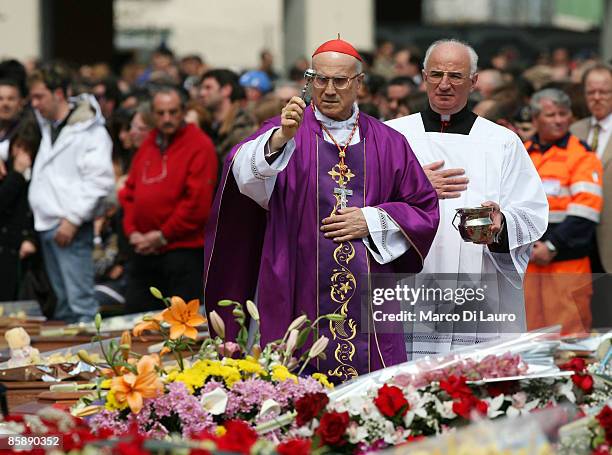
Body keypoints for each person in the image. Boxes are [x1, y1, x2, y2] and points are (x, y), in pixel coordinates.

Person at [204, 38, 440, 383]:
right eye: (320, 79)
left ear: (359, 84)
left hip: (368, 294)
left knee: (374, 392)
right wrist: (279, 141)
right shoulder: (284, 130)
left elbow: (423, 209)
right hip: (294, 282)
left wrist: (372, 220)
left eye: (340, 81)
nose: (328, 90)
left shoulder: (389, 142)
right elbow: (242, 178)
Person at [387, 39, 549, 359]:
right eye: (436, 75)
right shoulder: (391, 135)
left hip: (481, 288)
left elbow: (531, 210)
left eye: (456, 76)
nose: (444, 84)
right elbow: (366, 202)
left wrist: (501, 225)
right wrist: (416, 188)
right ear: (423, 77)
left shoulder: (501, 141)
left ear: (473, 82)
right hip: (409, 282)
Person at [119, 86, 218, 313]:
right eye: (161, 113)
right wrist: (132, 231)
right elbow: (130, 193)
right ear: (152, 114)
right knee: (137, 322)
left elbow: (197, 204)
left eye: (173, 112)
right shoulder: (150, 142)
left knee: (182, 327)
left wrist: (162, 235)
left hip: (181, 252)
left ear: (183, 111)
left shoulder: (199, 145)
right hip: (144, 251)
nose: (167, 119)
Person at [28, 65, 115, 323]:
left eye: (39, 96)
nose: (34, 103)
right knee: (64, 305)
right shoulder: (47, 126)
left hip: (70, 225)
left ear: (58, 93)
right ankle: (66, 362)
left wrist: (74, 219)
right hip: (48, 222)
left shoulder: (92, 131)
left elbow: (100, 181)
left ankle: (92, 360)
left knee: (80, 304)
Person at [524, 88, 603, 334]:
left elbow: (586, 211)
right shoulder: (522, 152)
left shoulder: (581, 155)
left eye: (563, 113)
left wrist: (551, 246)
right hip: (528, 262)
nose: (559, 120)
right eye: (551, 114)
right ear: (535, 119)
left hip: (566, 264)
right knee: (527, 339)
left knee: (570, 341)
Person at [570, 64, 612, 327]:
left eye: (604, 92)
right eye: (591, 92)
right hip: (579, 238)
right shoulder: (575, 131)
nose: (597, 98)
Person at [0, 125, 40, 302]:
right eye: (18, 147)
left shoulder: (41, 176)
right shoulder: (4, 172)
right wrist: (16, 175)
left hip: (27, 254)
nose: (21, 154)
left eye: (27, 149)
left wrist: (32, 239)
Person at [199, 69, 257, 163]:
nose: (202, 93)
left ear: (226, 90)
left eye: (208, 88)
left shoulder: (243, 124)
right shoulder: (207, 123)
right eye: (201, 88)